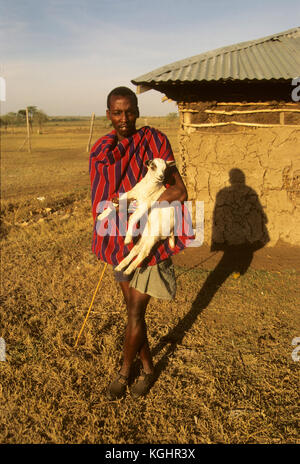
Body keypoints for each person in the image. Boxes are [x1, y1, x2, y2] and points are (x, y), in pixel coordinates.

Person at [89, 86, 191, 400]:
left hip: (151, 241)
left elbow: (180, 191)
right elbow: (101, 200)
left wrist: (143, 204)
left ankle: (123, 374)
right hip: (119, 243)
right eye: (117, 113)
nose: (124, 118)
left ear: (137, 110)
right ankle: (147, 369)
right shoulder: (100, 151)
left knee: (134, 311)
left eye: (130, 111)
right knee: (134, 312)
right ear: (108, 114)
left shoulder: (155, 142)